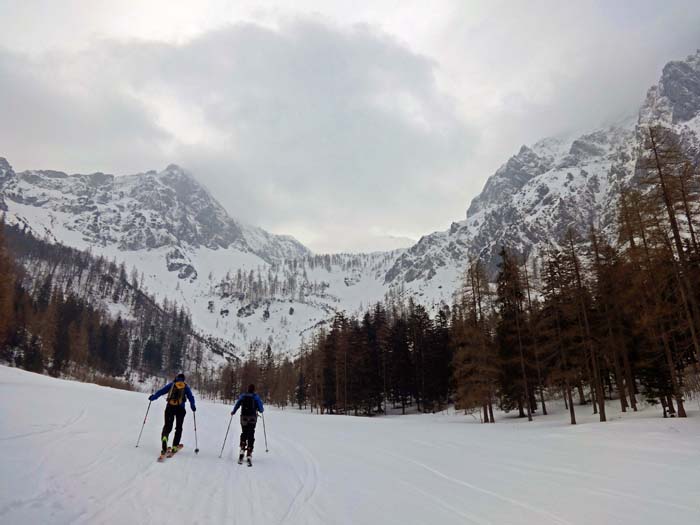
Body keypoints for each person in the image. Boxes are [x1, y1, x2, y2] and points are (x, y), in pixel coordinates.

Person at [149, 373, 196, 458]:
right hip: (180, 410)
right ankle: (174, 446)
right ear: (183, 379)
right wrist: (193, 406)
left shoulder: (172, 384)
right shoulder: (185, 386)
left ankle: (164, 439)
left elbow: (161, 391)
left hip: (170, 408)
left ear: (176, 378)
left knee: (167, 426)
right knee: (178, 428)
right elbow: (191, 397)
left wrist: (153, 397)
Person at [231, 384, 264, 465]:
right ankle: (249, 451)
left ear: (248, 389)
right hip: (252, 418)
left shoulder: (243, 396)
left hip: (244, 417)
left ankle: (242, 448)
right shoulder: (256, 397)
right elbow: (261, 409)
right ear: (254, 390)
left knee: (244, 432)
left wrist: (233, 412)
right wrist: (260, 409)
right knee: (251, 433)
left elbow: (237, 404)